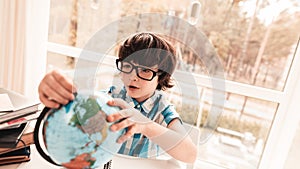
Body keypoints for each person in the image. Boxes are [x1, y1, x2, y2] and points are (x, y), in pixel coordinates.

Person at [38, 32, 197, 163]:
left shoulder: (162, 111)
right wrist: (58, 95)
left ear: (161, 77)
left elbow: (190, 154)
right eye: (127, 66)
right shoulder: (109, 98)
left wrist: (145, 125)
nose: (133, 77)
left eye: (145, 71)